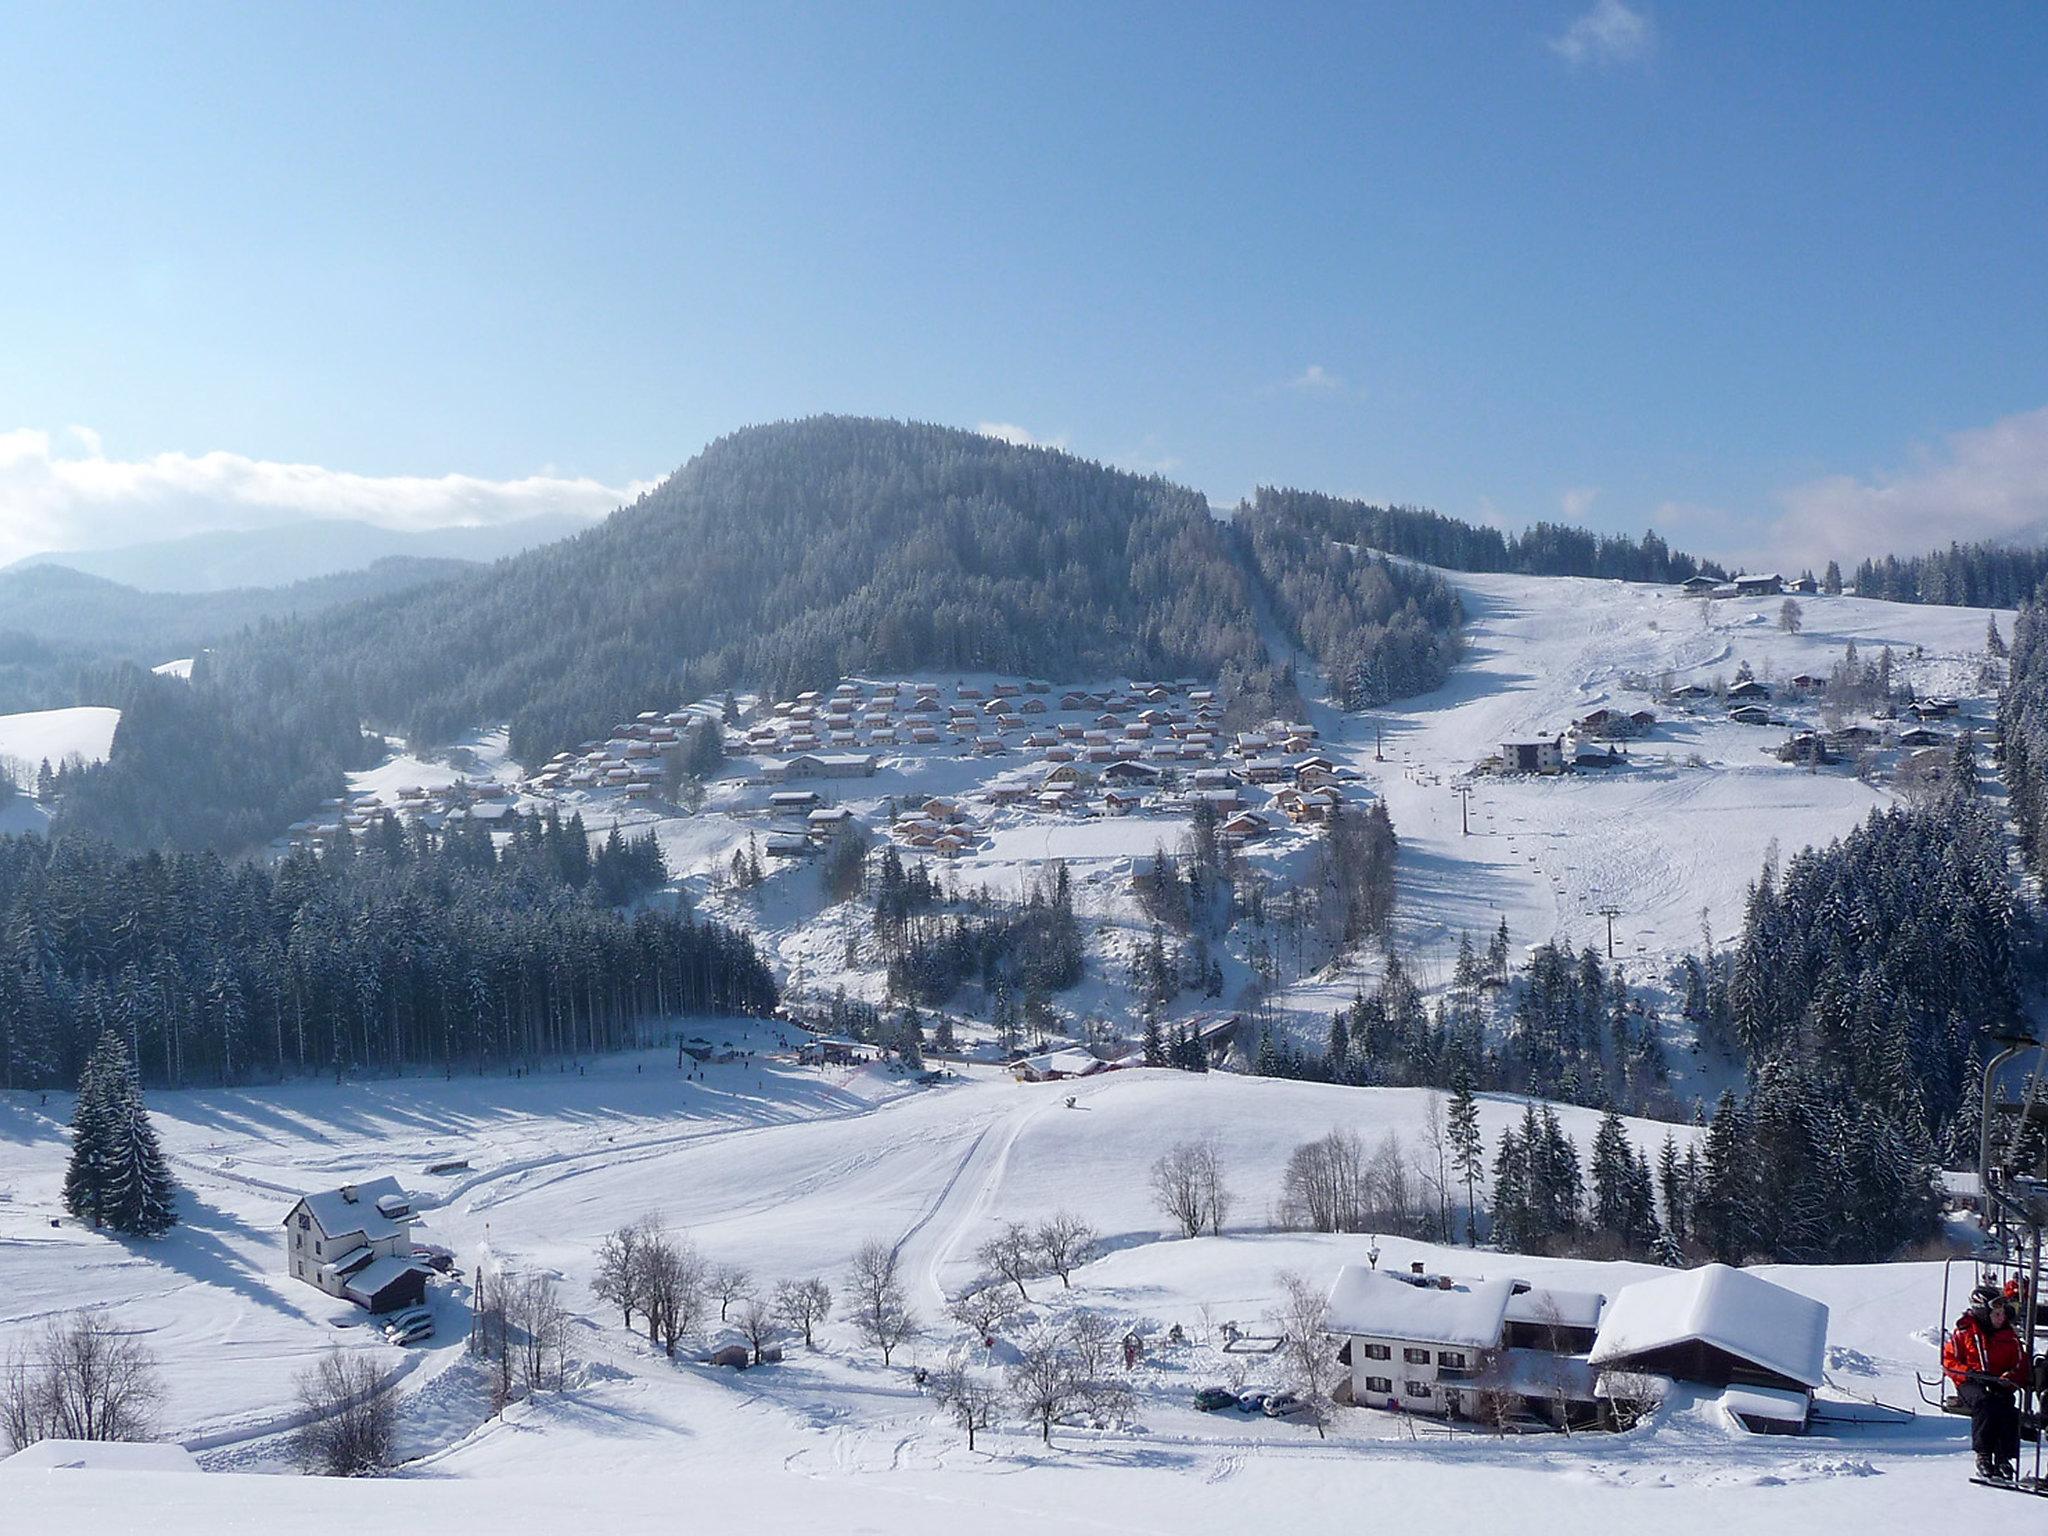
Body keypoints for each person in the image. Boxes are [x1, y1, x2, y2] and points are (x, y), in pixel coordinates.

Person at [1944, 1282, 2028, 1481]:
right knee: (1985, 1403)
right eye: (1996, 1314)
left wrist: (2010, 1377)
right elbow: (1949, 1361)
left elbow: (2020, 1364)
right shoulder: (1964, 1333)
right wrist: (1968, 1373)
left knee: (2006, 1407)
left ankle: (2003, 1458)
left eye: (2002, 1314)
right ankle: (1983, 1454)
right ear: (1983, 1314)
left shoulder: (2009, 1337)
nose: (2001, 1318)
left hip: (1998, 1382)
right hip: (1971, 1383)